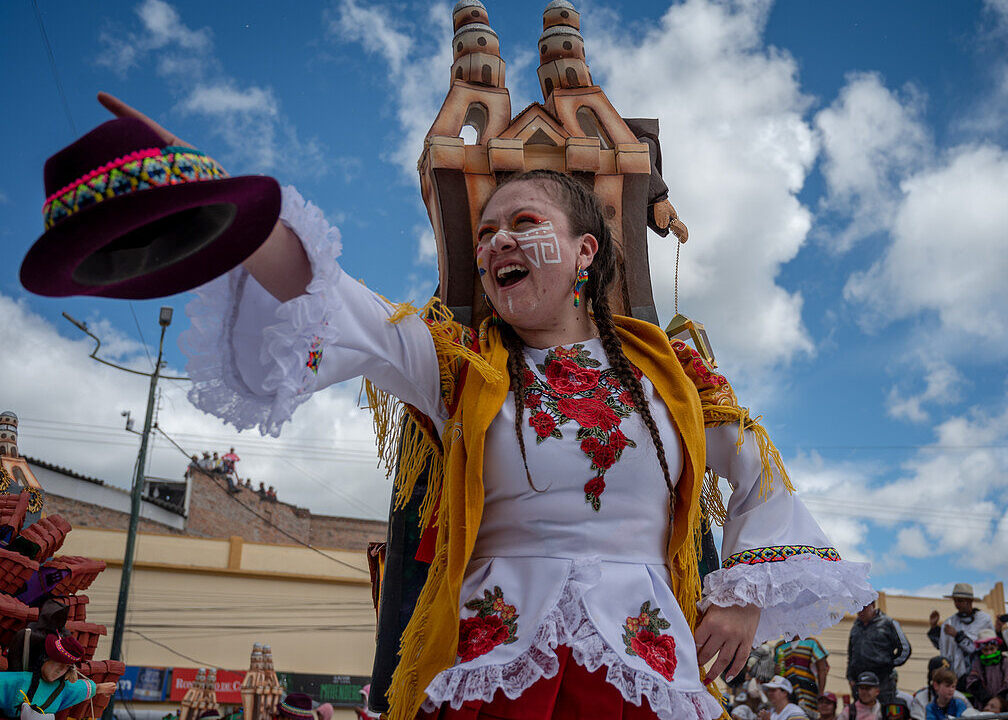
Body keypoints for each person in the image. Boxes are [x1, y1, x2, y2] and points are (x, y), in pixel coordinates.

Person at [95, 94, 874, 720]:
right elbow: (328, 299)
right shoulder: (455, 366)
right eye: (489, 230)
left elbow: (759, 473)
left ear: (585, 252)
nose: (498, 241)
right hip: (494, 666)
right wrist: (225, 203)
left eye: (525, 225)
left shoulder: (671, 370)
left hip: (646, 666)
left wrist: (738, 600)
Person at [0, 633, 117, 716]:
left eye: (67, 666)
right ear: (45, 658)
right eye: (59, 662)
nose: (60, 670)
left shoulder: (63, 688)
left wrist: (100, 688)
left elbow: (82, 688)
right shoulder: (20, 680)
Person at [847, 598, 910, 702]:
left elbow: (905, 649)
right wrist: (850, 677)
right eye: (857, 608)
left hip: (882, 681)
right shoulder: (855, 627)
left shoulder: (888, 623)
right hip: (860, 680)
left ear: (873, 605)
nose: (861, 612)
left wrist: (888, 665)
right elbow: (851, 653)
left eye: (864, 608)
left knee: (884, 711)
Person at [927, 584, 993, 678]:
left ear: (969, 601)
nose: (957, 604)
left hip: (978, 675)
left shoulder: (983, 619)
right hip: (954, 676)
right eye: (955, 601)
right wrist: (934, 627)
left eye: (960, 601)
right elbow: (942, 646)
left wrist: (957, 635)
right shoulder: (951, 621)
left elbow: (977, 648)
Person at [775, 635, 829, 715]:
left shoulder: (811, 643)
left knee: (807, 715)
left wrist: (821, 692)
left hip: (808, 690)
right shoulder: (780, 646)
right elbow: (777, 670)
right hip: (788, 691)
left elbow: (822, 669)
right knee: (790, 714)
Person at [965, 629, 1008, 707]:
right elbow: (972, 682)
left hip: (1003, 703)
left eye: (992, 649)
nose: (989, 653)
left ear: (997, 647)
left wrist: (999, 699)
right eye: (985, 650)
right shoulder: (977, 664)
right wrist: (987, 699)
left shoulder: (1006, 662)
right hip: (984, 704)